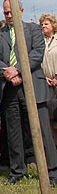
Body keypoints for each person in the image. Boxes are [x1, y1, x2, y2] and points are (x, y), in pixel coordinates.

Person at [0, 0, 57, 185]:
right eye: (5, 13)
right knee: (14, 132)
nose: (9, 15)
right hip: (10, 88)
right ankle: (18, 170)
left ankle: (52, 171)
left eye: (12, 11)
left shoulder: (34, 30)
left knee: (42, 130)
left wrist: (18, 69)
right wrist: (9, 73)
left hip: (33, 86)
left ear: (21, 10)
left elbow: (37, 53)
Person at [40, 13, 57, 145]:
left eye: (46, 24)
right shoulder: (41, 42)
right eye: (42, 24)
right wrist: (44, 77)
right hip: (47, 82)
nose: (43, 26)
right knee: (50, 115)